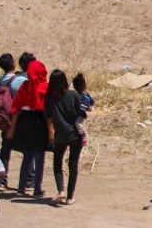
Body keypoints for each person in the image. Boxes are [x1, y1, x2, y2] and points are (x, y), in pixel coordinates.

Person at [44, 69, 86, 205]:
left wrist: (50, 133)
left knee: (57, 162)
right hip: (75, 134)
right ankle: (70, 197)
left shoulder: (49, 97)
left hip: (60, 135)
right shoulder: (73, 95)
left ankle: (61, 190)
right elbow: (83, 113)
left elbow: (49, 118)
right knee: (73, 165)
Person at [7, 56, 48, 197]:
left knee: (27, 156)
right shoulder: (45, 87)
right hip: (39, 122)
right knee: (39, 157)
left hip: (24, 123)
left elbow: (16, 108)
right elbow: (49, 109)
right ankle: (37, 189)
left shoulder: (24, 86)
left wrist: (12, 128)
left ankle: (20, 188)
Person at [0, 53, 25, 189]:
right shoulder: (19, 80)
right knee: (27, 148)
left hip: (4, 119)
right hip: (19, 119)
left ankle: (2, 180)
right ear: (14, 63)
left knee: (5, 149)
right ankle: (29, 179)